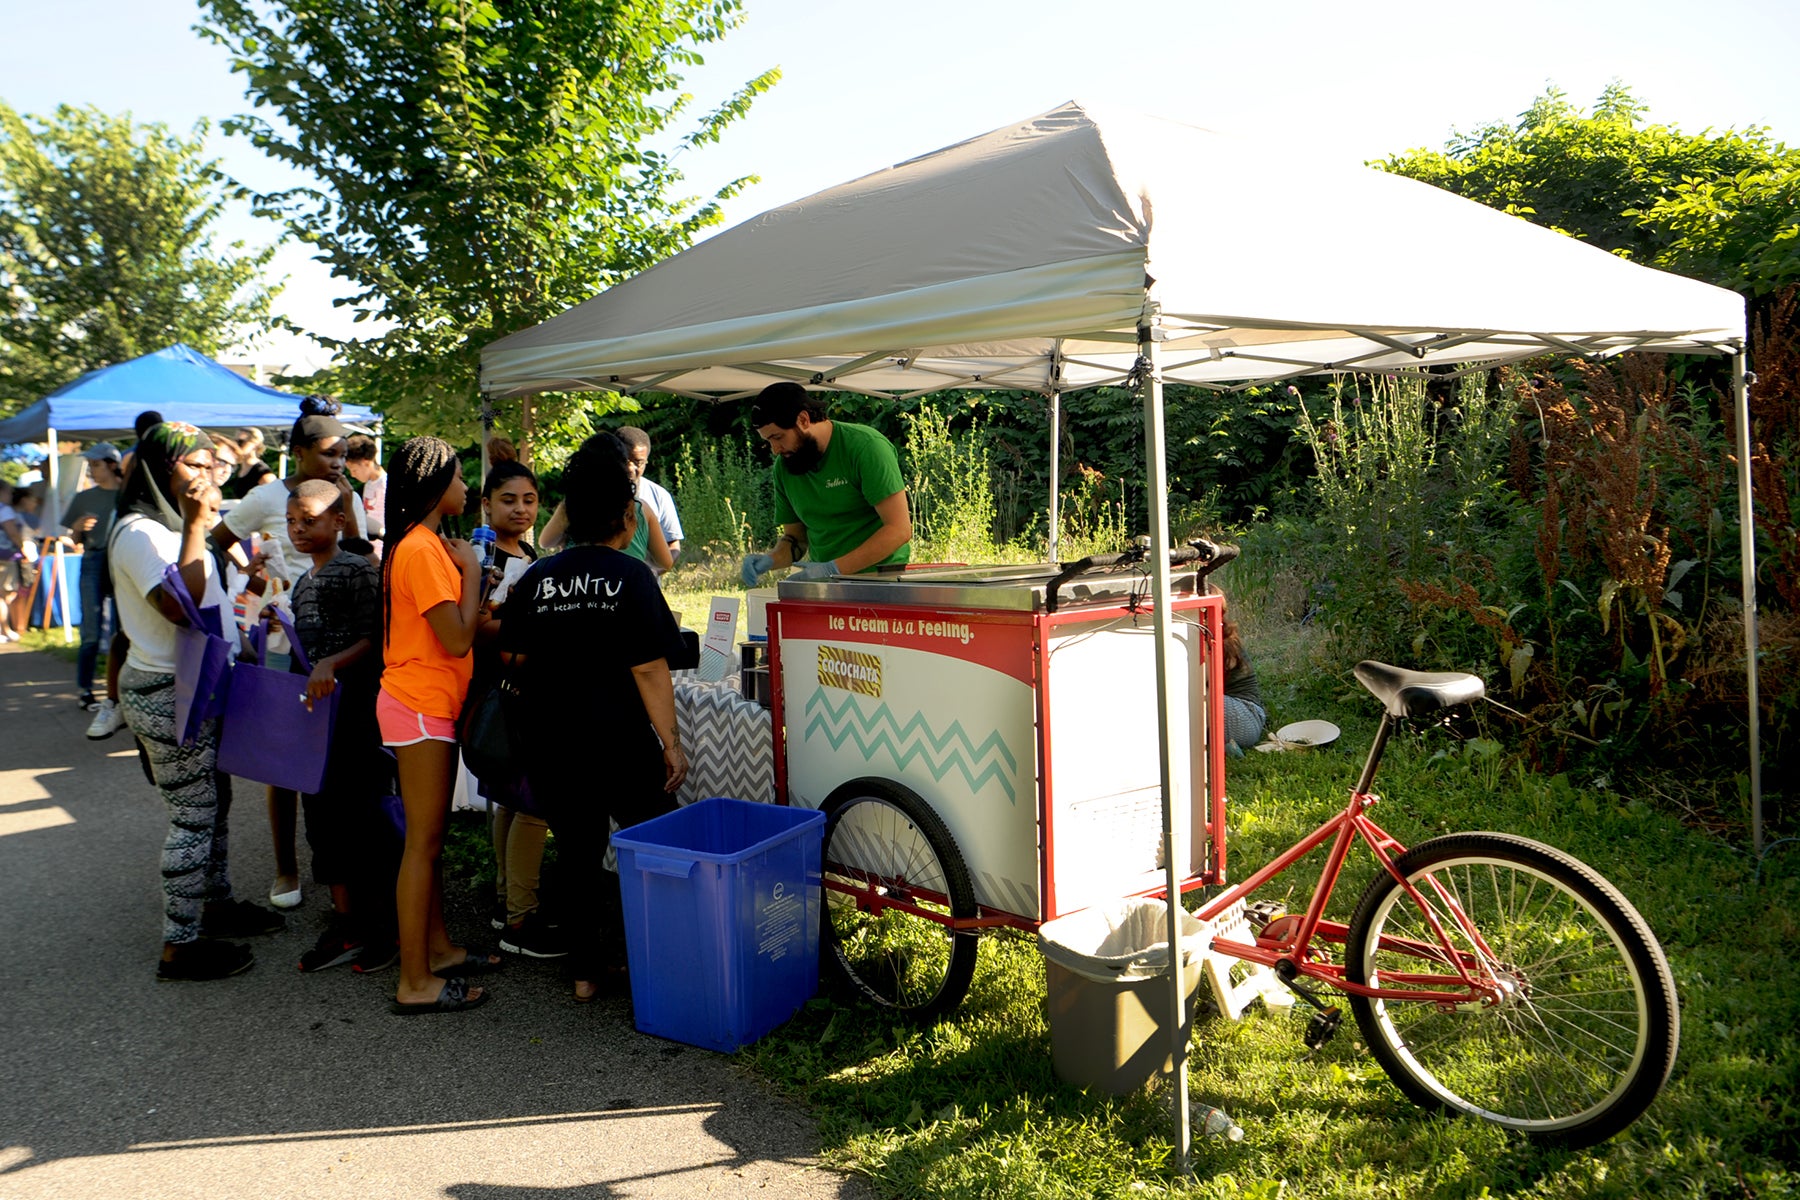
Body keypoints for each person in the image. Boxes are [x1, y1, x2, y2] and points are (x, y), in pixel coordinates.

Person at [500, 437, 688, 1002]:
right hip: (621, 742)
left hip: (552, 741)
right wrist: (671, 745)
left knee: (577, 853)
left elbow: (513, 656)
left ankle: (584, 973)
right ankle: (658, 957)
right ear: (628, 517)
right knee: (655, 844)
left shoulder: (538, 578)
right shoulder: (633, 580)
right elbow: (651, 668)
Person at [108, 421, 285, 980]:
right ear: (159, 470)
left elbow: (208, 602)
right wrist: (193, 525)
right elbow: (178, 609)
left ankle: (215, 903)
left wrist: (246, 583)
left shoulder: (172, 527)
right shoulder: (141, 533)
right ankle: (179, 946)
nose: (206, 475)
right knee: (193, 816)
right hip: (167, 690)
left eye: (213, 464)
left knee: (218, 799)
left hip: (198, 682)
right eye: (192, 464)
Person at [212, 396, 368, 911]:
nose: (338, 462)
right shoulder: (266, 497)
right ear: (298, 452)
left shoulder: (348, 497)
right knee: (282, 750)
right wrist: (259, 580)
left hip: (339, 639)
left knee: (341, 758)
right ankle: (285, 868)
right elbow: (222, 537)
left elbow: (362, 554)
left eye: (344, 453)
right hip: (284, 635)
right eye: (328, 453)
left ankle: (348, 871)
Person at [379, 435, 502, 1015]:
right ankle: (414, 981)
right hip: (420, 704)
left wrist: (473, 592)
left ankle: (438, 949)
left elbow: (448, 626)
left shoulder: (421, 544)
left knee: (425, 843)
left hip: (424, 702)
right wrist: (474, 571)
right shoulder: (423, 550)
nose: (465, 485)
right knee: (423, 845)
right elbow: (456, 640)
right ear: (433, 485)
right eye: (457, 476)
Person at [282, 479, 399, 972]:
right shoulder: (302, 583)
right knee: (323, 820)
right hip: (318, 724)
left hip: (360, 719)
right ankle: (347, 923)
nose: (299, 529)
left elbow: (378, 636)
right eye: (291, 521)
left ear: (338, 520)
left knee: (366, 819)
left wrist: (332, 662)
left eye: (309, 519)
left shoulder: (356, 570)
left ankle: (385, 929)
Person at [469, 462, 559, 956]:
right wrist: (534, 636)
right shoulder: (482, 556)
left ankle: (507, 900)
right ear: (486, 504)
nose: (521, 508)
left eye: (529, 499)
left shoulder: (526, 551)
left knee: (512, 797)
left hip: (519, 687)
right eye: (508, 499)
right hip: (505, 691)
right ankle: (522, 922)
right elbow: (476, 627)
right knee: (534, 803)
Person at [739, 382, 912, 586]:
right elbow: (796, 539)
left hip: (881, 581)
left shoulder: (865, 447)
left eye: (778, 437)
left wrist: (834, 568)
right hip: (826, 586)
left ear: (803, 420)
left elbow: (899, 530)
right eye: (768, 441)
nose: (775, 449)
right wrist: (770, 560)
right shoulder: (784, 467)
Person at [539, 435, 674, 571]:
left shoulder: (571, 504)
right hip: (626, 582)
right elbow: (666, 562)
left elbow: (545, 542)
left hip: (579, 582)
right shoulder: (640, 507)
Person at [63, 443, 124, 708]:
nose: (91, 470)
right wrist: (76, 528)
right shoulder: (84, 498)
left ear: (112, 465)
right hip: (92, 560)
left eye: (96, 464)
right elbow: (74, 539)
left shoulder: (127, 494)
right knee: (90, 630)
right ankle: (85, 690)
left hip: (121, 561)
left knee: (123, 630)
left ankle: (121, 691)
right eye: (89, 465)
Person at [615, 427, 683, 562]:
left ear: (646, 461)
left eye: (638, 462)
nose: (630, 468)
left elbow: (672, 546)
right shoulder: (592, 493)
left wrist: (654, 571)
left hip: (642, 579)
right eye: (624, 460)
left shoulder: (659, 496)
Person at [1220, 605, 1266, 756]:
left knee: (1197, 698)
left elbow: (1201, 683)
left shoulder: (1223, 642)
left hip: (1247, 716)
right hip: (1233, 715)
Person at [344, 433, 387, 545]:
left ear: (366, 463)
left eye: (354, 470)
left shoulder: (386, 484)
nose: (352, 475)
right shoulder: (369, 484)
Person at [0, 482, 24, 643]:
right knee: (4, 595)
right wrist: (23, 547)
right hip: (4, 557)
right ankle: (4, 629)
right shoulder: (5, 510)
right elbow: (13, 532)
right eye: (9, 493)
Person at [223, 427, 276, 500]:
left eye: (241, 442)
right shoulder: (238, 468)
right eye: (235, 442)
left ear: (256, 444)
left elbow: (272, 502)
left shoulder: (263, 473)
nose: (236, 445)